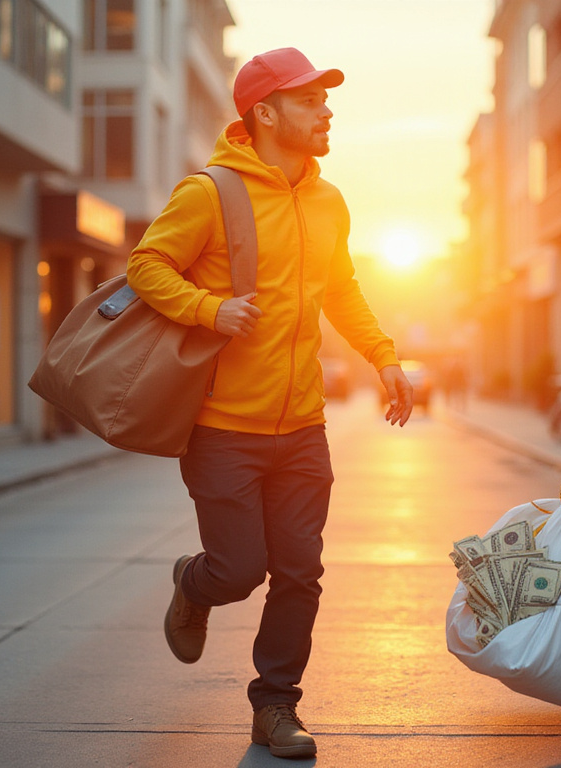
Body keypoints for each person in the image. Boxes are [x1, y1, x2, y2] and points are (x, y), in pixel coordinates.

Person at [125, 47, 414, 760]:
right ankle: (195, 583)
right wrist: (208, 308)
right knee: (239, 571)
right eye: (311, 99)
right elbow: (145, 266)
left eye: (325, 98)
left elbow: (340, 289)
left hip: (303, 428)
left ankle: (276, 705)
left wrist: (384, 355)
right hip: (223, 428)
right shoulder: (211, 192)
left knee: (300, 572)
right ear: (264, 112)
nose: (326, 110)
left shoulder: (328, 199)